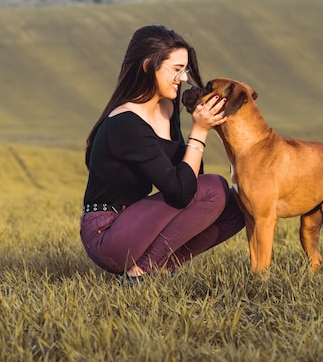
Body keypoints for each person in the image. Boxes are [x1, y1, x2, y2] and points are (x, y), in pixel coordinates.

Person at [80, 24, 245, 285]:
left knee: (237, 206)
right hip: (107, 232)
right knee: (215, 186)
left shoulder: (167, 108)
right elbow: (181, 194)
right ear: (148, 66)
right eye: (176, 70)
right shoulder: (126, 122)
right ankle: (142, 272)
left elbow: (190, 181)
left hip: (140, 223)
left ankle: (155, 268)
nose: (183, 78)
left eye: (185, 70)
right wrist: (199, 131)